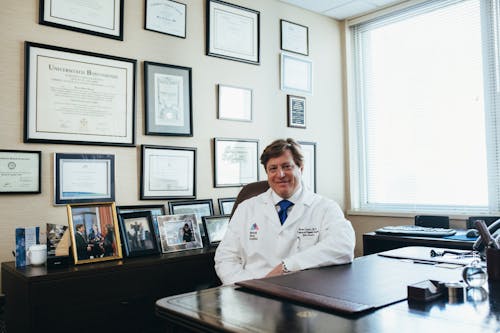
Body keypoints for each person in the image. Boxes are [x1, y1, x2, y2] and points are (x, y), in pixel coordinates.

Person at [214, 138, 355, 285]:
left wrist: (288, 266)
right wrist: (249, 285)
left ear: (301, 168)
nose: (280, 175)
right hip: (251, 292)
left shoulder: (325, 207)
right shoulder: (246, 208)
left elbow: (343, 246)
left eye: (287, 166)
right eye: (273, 169)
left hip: (303, 291)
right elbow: (225, 258)